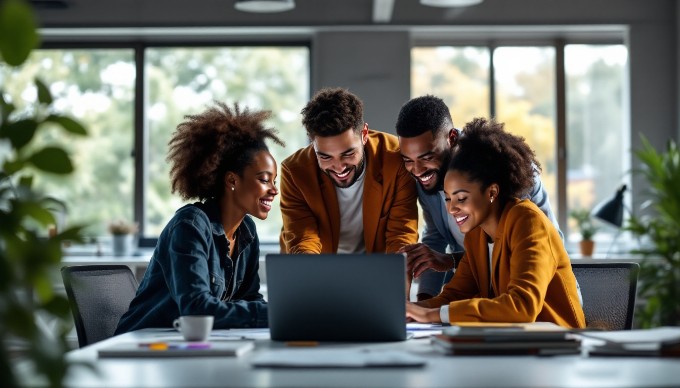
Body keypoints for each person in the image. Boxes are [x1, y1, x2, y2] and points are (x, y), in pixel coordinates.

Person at [116, 102, 284, 334]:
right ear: (232, 181)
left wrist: (288, 312)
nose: (274, 190)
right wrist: (277, 312)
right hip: (140, 346)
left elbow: (249, 298)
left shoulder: (247, 230)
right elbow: (196, 309)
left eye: (274, 181)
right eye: (264, 180)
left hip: (187, 345)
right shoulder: (190, 226)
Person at [405, 117, 585, 328]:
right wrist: (410, 311)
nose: (451, 209)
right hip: (508, 344)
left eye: (461, 198)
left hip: (557, 347)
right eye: (448, 198)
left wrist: (429, 316)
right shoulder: (475, 235)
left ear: (491, 192)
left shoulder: (528, 221)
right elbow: (453, 296)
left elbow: (521, 307)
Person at [395, 95, 562, 301]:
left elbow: (539, 245)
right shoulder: (427, 176)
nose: (417, 170)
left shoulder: (504, 167)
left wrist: (451, 261)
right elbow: (436, 238)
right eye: (408, 160)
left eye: (427, 157)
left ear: (452, 138)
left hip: (539, 298)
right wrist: (422, 303)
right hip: (487, 297)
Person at [279, 87, 418, 254]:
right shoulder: (294, 172)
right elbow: (303, 238)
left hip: (376, 267)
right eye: (325, 157)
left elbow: (401, 235)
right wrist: (312, 276)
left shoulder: (396, 158)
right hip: (320, 265)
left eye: (348, 153)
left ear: (364, 134)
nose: (339, 167)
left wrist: (396, 276)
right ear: (312, 142)